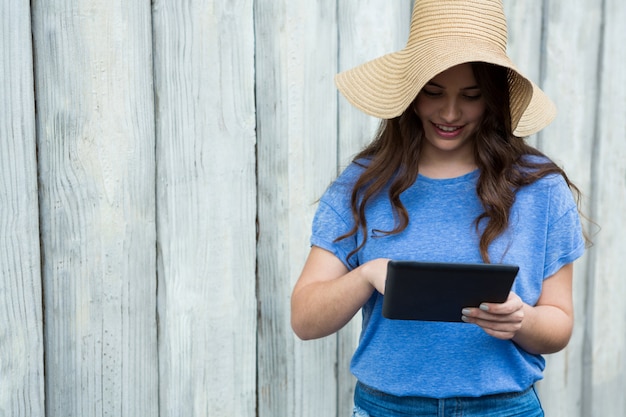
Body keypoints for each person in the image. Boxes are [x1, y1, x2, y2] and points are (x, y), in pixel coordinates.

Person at [290, 0, 587, 416]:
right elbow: (305, 319)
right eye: (433, 92)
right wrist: (368, 275)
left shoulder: (539, 188)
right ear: (410, 91)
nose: (449, 113)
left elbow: (559, 325)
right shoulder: (363, 184)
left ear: (495, 99)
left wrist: (523, 320)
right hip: (387, 409)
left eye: (471, 96)